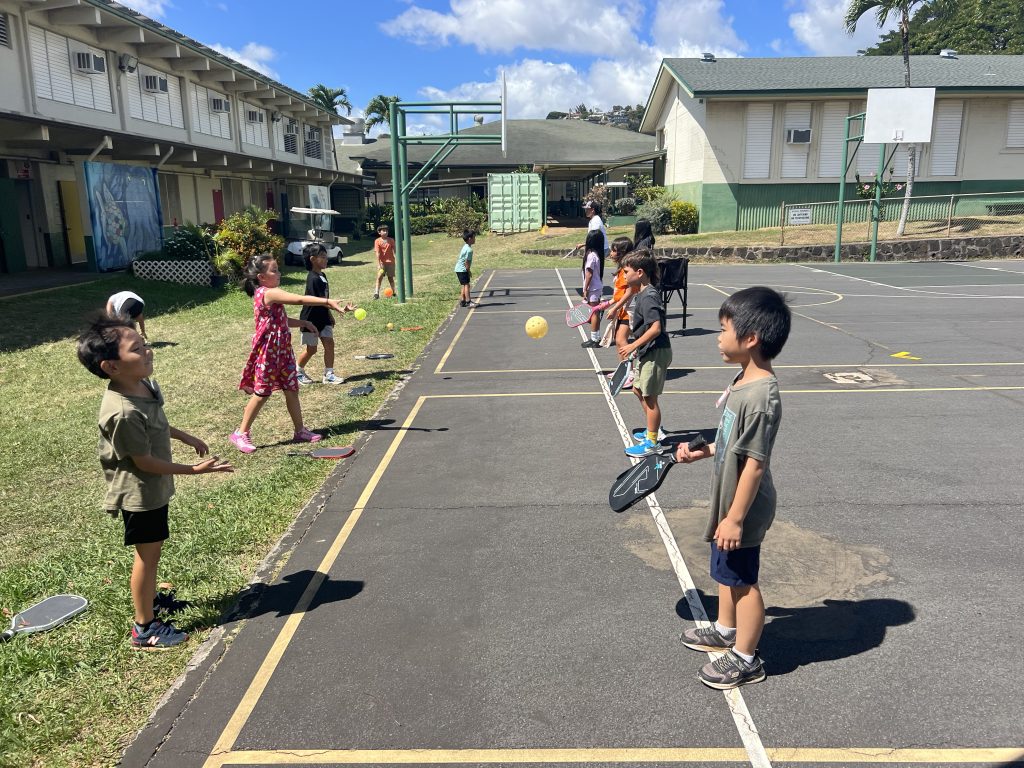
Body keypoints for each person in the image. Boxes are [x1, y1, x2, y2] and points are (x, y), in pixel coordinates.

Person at [76, 314, 232, 649]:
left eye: (145, 344)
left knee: (154, 551)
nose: (148, 351)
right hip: (140, 494)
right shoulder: (122, 412)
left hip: (154, 486)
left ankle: (151, 603)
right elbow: (143, 461)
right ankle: (144, 627)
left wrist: (185, 436)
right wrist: (194, 470)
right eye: (137, 349)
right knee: (147, 556)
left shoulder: (143, 385)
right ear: (111, 367)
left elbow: (157, 422)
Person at [675, 286, 791, 690]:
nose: (719, 337)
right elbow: (732, 442)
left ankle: (746, 657)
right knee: (726, 573)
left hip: (744, 505)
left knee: (743, 581)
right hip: (730, 497)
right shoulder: (744, 379)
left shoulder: (761, 397)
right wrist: (703, 451)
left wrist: (735, 518)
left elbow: (755, 464)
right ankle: (726, 630)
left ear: (751, 338)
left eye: (724, 329)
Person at [229, 254, 345, 454]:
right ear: (261, 277)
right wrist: (328, 301)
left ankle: (300, 431)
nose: (279, 273)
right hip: (269, 352)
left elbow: (280, 318)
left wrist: (303, 323)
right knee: (261, 393)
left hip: (282, 350)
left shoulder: (270, 294)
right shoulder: (267, 292)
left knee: (291, 389)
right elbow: (299, 299)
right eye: (274, 270)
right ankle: (240, 433)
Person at [620, 249, 672, 456]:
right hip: (648, 351)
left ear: (639, 272)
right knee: (638, 390)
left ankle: (652, 442)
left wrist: (632, 345)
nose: (623, 275)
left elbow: (655, 328)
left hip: (656, 351)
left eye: (626, 271)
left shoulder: (649, 295)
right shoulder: (640, 293)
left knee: (650, 398)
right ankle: (654, 430)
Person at [296, 243, 354, 386]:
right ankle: (297, 371)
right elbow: (319, 301)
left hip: (323, 317)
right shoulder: (312, 278)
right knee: (311, 349)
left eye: (326, 256)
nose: (326, 259)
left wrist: (329, 315)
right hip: (310, 319)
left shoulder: (322, 275)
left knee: (329, 344)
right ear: (312, 259)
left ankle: (329, 374)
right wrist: (338, 309)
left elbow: (325, 299)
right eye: (322, 257)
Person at [601, 237, 636, 379]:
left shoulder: (627, 270)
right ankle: (623, 370)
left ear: (621, 252)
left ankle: (630, 373)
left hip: (629, 310)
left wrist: (615, 308)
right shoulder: (622, 269)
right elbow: (619, 294)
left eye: (614, 250)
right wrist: (607, 304)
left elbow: (630, 291)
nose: (611, 253)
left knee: (621, 340)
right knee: (619, 339)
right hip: (622, 309)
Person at [579, 228, 606, 348]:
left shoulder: (591, 256)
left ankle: (595, 339)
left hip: (593, 288)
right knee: (594, 312)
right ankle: (596, 336)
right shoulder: (596, 254)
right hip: (596, 287)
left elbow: (589, 274)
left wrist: (585, 289)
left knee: (594, 312)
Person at [373, 224, 397, 299]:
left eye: (386, 231)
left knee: (390, 278)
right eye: (383, 231)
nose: (386, 232)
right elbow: (377, 253)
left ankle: (393, 292)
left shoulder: (391, 240)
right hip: (382, 263)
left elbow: (395, 250)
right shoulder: (377, 241)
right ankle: (376, 293)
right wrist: (379, 264)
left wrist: (398, 259)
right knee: (379, 277)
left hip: (391, 262)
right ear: (379, 232)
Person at [454, 230, 476, 308]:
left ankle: (462, 301)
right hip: (462, 269)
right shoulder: (469, 250)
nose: (475, 239)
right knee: (467, 285)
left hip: (458, 269)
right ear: (470, 239)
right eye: (474, 237)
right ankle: (468, 301)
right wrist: (468, 271)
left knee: (463, 285)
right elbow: (467, 263)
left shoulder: (465, 246)